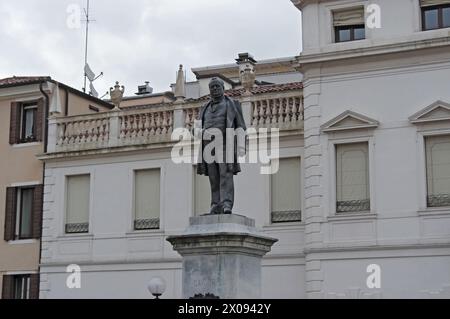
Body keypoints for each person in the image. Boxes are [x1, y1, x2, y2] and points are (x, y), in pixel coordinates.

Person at [195, 77, 247, 215]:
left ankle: (226, 204)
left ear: (223, 88)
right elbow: (197, 128)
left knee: (226, 175)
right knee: (213, 177)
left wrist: (241, 146)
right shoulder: (204, 108)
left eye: (217, 86)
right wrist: (199, 132)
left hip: (225, 144)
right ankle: (215, 204)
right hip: (208, 146)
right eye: (212, 87)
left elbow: (241, 126)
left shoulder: (232, 104)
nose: (215, 89)